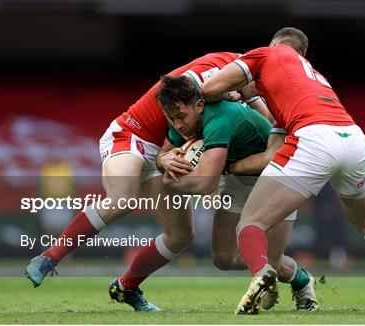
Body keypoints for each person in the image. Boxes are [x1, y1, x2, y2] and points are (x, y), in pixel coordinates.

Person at [200, 27, 365, 314]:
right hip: (353, 139)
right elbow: (274, 140)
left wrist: (236, 94)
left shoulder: (266, 54)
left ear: (275, 44)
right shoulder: (311, 76)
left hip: (313, 138)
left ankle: (261, 274)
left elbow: (208, 89)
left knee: (251, 223)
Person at [25, 52, 266, 312]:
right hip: (131, 136)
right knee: (122, 199)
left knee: (181, 236)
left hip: (167, 148)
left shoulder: (224, 82)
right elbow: (245, 99)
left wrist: (166, 160)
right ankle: (48, 258)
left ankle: (126, 287)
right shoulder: (218, 77)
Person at [156, 75, 318, 312]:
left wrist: (170, 184)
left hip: (277, 178)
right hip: (237, 180)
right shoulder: (180, 116)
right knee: (223, 259)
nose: (178, 125)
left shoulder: (220, 119)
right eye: (171, 118)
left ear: (199, 105)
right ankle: (267, 272)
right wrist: (164, 160)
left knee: (271, 262)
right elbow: (163, 153)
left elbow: (205, 185)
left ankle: (301, 281)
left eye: (181, 117)